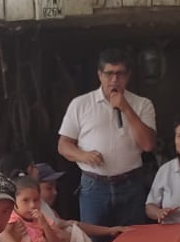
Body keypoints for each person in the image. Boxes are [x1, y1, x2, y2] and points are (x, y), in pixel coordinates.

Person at [57, 48, 156, 231]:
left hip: (130, 184)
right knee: (94, 241)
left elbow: (148, 144)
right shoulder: (80, 104)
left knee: (133, 240)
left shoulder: (142, 104)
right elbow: (63, 145)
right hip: (94, 186)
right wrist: (83, 155)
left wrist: (126, 108)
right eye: (109, 73)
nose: (114, 80)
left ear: (128, 76)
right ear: (99, 75)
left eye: (120, 74)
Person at [35, 162, 125, 240]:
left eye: (55, 187)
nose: (55, 192)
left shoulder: (49, 211)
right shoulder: (38, 214)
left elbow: (73, 225)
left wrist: (110, 230)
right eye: (49, 188)